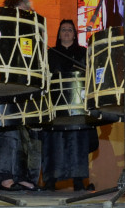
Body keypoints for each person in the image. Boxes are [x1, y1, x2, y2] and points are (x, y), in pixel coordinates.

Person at [0, 0, 40, 191]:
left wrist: (32, 9)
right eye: (21, 10)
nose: (24, 14)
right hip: (5, 84)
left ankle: (22, 175)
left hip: (25, 84)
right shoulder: (0, 28)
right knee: (7, 130)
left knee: (25, 132)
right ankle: (5, 176)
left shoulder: (28, 31)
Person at [40, 20, 96, 191]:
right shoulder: (49, 53)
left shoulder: (83, 53)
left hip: (77, 105)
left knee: (78, 140)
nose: (66, 32)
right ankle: (50, 181)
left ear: (74, 34)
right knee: (52, 142)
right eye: (63, 29)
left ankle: (79, 182)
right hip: (55, 105)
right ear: (58, 34)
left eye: (69, 30)